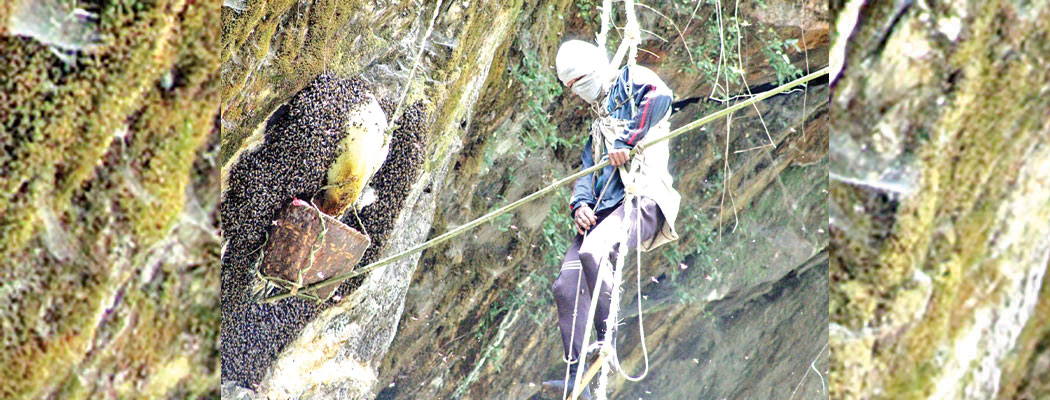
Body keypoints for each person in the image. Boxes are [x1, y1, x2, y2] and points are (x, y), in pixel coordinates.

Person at [542, 40, 681, 399]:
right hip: (605, 212)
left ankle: (606, 346)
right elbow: (590, 169)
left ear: (596, 67)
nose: (578, 92)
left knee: (596, 253)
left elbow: (660, 97)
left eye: (580, 81)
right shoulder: (597, 123)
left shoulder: (630, 79)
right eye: (571, 88)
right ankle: (577, 374)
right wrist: (580, 206)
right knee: (565, 286)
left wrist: (628, 139)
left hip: (642, 198)